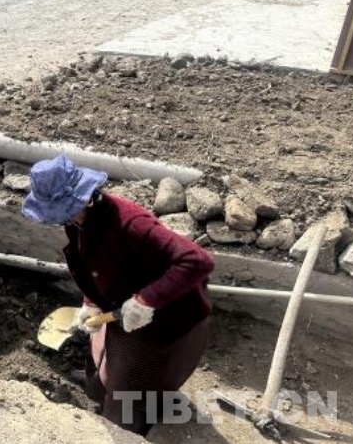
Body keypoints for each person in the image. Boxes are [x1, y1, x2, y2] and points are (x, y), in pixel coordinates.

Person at [22, 155, 215, 436]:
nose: (60, 218)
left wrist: (146, 301)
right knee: (105, 371)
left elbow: (197, 260)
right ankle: (103, 394)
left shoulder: (130, 224)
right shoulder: (78, 220)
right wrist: (90, 302)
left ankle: (125, 430)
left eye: (63, 210)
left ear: (84, 197)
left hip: (163, 318)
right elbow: (87, 262)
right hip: (122, 309)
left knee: (130, 397)